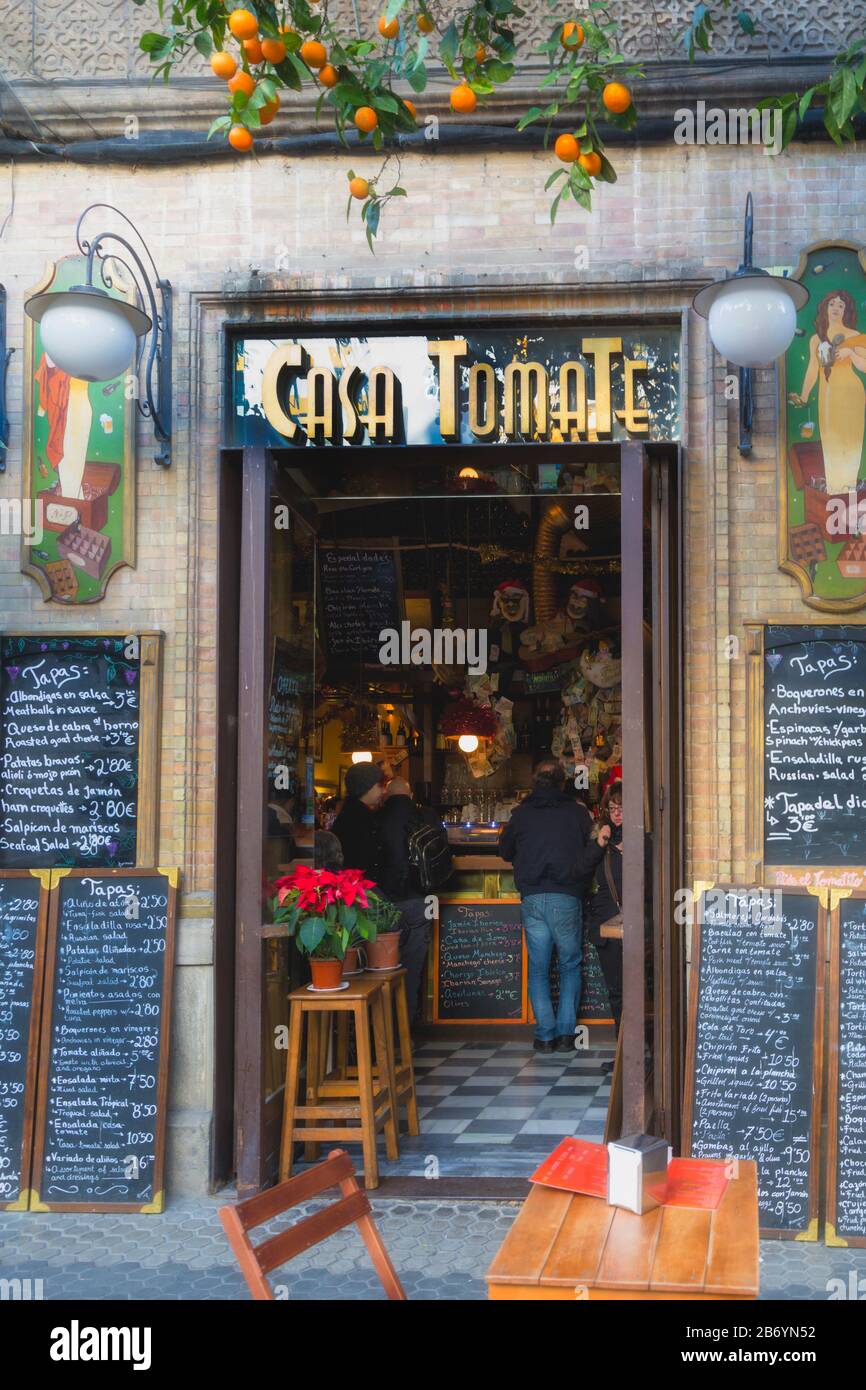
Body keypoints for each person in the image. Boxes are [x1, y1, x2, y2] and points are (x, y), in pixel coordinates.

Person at [499, 759, 609, 1053]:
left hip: (533, 897)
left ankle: (544, 1036)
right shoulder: (576, 813)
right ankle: (565, 1035)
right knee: (569, 964)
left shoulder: (520, 814)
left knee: (538, 968)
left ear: (536, 782)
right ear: (563, 782)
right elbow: (591, 848)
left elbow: (504, 850)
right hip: (566, 896)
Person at [377, 775, 438, 1025]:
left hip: (383, 900)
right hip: (419, 898)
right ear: (411, 794)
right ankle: (406, 1025)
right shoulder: (427, 816)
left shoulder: (375, 818)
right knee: (412, 967)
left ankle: (382, 1029)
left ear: (386, 795)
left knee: (382, 967)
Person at [586, 779, 623, 1035]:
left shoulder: (647, 839)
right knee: (616, 991)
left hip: (639, 926)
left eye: (622, 808)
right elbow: (580, 870)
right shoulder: (602, 841)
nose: (617, 814)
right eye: (612, 809)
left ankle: (647, 1052)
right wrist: (600, 844)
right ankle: (624, 1053)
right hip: (608, 925)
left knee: (645, 991)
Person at [332, 762, 387, 881]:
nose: (384, 791)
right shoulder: (358, 819)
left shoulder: (351, 812)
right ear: (366, 787)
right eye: (380, 785)